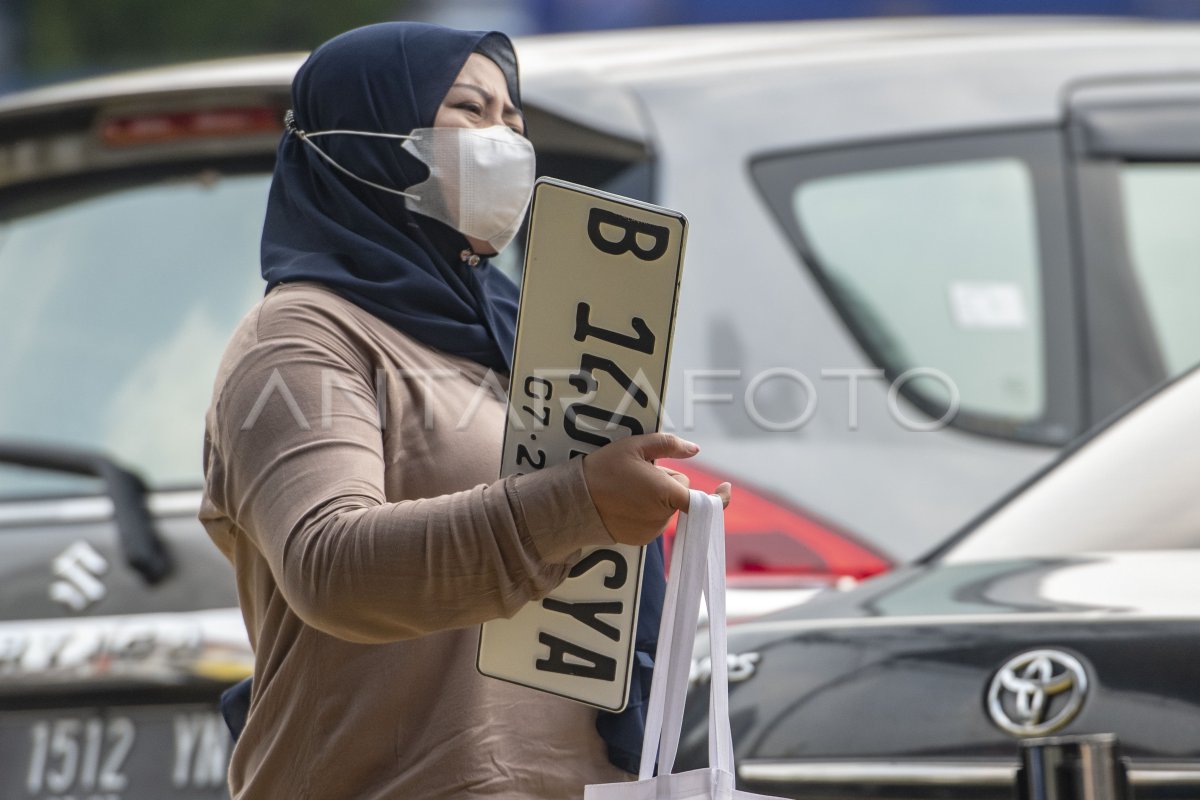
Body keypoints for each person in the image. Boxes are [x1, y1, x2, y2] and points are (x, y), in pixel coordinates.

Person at [199, 21, 731, 800]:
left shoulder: (519, 328)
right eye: (468, 109)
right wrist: (577, 505)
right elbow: (330, 565)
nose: (503, 139)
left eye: (512, 117)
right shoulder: (303, 338)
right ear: (371, 134)